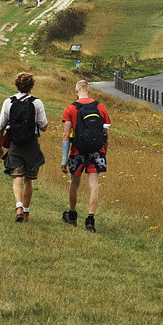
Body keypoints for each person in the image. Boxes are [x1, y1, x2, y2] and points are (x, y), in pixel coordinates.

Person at [0, 72, 48, 222]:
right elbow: (43, 126)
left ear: (16, 85)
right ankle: (26, 212)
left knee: (17, 177)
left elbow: (0, 127)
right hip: (32, 145)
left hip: (15, 145)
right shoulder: (37, 103)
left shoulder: (9, 102)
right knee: (28, 179)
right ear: (31, 86)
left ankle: (18, 207)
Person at [61, 80, 111, 233]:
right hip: (97, 151)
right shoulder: (100, 107)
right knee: (94, 185)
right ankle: (90, 219)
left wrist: (64, 160)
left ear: (76, 91)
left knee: (74, 183)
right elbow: (106, 135)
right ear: (89, 91)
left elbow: (66, 136)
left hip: (77, 151)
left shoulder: (70, 108)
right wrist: (103, 152)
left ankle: (72, 214)